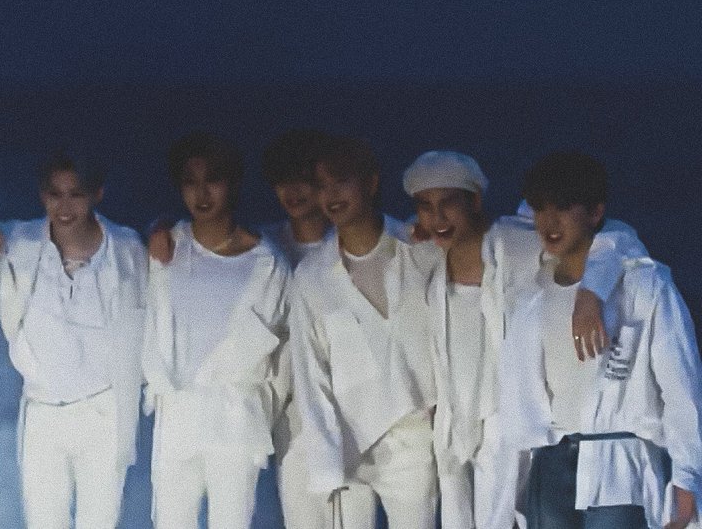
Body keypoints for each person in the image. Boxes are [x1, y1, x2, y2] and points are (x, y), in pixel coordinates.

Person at [403, 150, 645, 529]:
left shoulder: (518, 242)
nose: (437, 218)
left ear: (475, 201)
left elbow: (618, 235)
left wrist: (592, 290)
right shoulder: (425, 257)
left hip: (512, 418)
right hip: (454, 424)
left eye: (448, 203)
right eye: (425, 206)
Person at [498, 152, 701, 529]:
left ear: (595, 212)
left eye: (563, 207)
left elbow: (682, 388)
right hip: (550, 464)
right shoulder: (531, 295)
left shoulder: (644, 285)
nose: (549, 221)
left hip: (618, 464)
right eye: (540, 208)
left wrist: (687, 476)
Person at [289, 135, 439, 529]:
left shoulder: (420, 250)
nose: (331, 195)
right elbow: (310, 371)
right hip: (349, 441)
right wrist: (326, 457)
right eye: (321, 186)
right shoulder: (312, 275)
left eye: (341, 181)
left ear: (370, 183)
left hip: (412, 435)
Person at [142, 131, 289, 529]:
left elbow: (274, 355)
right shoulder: (168, 248)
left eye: (213, 180)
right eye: (190, 182)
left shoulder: (267, 263)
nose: (202, 193)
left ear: (233, 183)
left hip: (234, 420)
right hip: (177, 416)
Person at [0, 152, 147, 529]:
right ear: (42, 195)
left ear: (97, 194)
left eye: (76, 194)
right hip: (43, 409)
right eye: (55, 194)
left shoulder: (127, 249)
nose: (64, 207)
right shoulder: (21, 242)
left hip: (103, 410)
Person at [258, 129, 369, 529]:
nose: (293, 192)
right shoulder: (264, 247)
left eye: (304, 181)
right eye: (282, 181)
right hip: (294, 414)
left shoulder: (353, 244)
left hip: (355, 408)